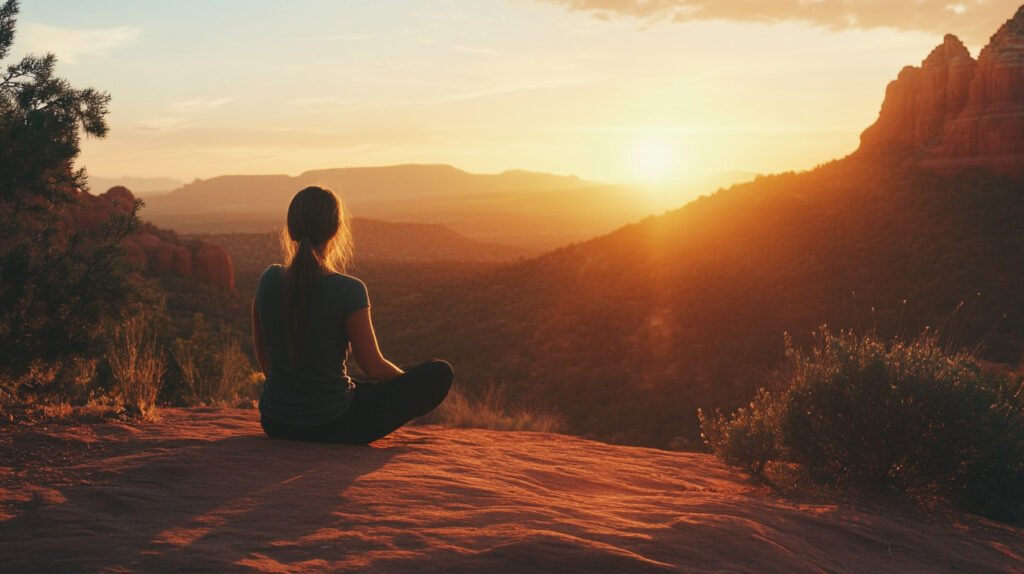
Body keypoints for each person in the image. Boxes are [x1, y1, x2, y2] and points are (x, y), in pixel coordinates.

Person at [252, 185, 453, 444]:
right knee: (438, 372)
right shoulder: (349, 290)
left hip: (275, 421)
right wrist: (405, 386)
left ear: (291, 230)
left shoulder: (268, 279)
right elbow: (374, 367)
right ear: (335, 231)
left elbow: (262, 351)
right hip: (335, 424)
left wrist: (291, 398)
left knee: (356, 384)